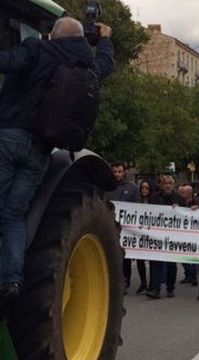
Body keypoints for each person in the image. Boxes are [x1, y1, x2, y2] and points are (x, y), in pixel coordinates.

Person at [0, 17, 114, 304]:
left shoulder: (37, 50)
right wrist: (107, 40)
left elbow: (8, 62)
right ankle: (12, 279)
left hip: (9, 138)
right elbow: (106, 65)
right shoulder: (86, 66)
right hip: (40, 151)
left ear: (52, 35)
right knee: (14, 214)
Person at [145, 175, 185, 299]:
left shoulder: (179, 198)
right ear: (161, 185)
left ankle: (170, 287)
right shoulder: (155, 197)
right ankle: (155, 289)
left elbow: (186, 214)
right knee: (155, 262)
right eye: (165, 183)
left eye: (169, 183)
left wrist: (179, 210)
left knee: (171, 264)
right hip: (157, 235)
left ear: (173, 185)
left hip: (173, 236)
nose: (167, 185)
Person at [106, 162, 140, 294]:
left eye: (119, 171)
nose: (117, 174)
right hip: (110, 225)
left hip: (127, 227)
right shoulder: (106, 187)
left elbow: (138, 207)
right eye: (115, 172)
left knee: (125, 256)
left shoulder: (132, 188)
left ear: (124, 172)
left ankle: (125, 282)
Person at [133, 180, 152, 294]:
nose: (144, 190)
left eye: (147, 188)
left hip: (152, 235)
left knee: (153, 261)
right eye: (142, 188)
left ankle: (152, 284)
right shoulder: (136, 202)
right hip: (139, 234)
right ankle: (143, 282)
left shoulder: (154, 200)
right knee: (140, 259)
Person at [178, 184, 197, 287]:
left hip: (192, 233)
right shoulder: (180, 203)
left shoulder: (194, 203)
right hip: (182, 233)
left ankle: (194, 276)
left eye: (182, 192)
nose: (180, 194)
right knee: (183, 256)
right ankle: (188, 274)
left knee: (193, 257)